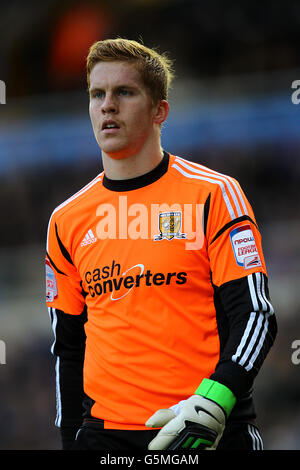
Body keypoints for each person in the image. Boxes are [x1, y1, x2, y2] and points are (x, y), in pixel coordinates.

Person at [45, 38, 277, 451]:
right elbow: (67, 347)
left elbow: (256, 315)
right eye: (97, 94)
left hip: (210, 431)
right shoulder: (66, 220)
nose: (107, 105)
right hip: (106, 439)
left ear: (160, 111)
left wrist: (215, 403)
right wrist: (69, 440)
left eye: (124, 92)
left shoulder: (215, 195)